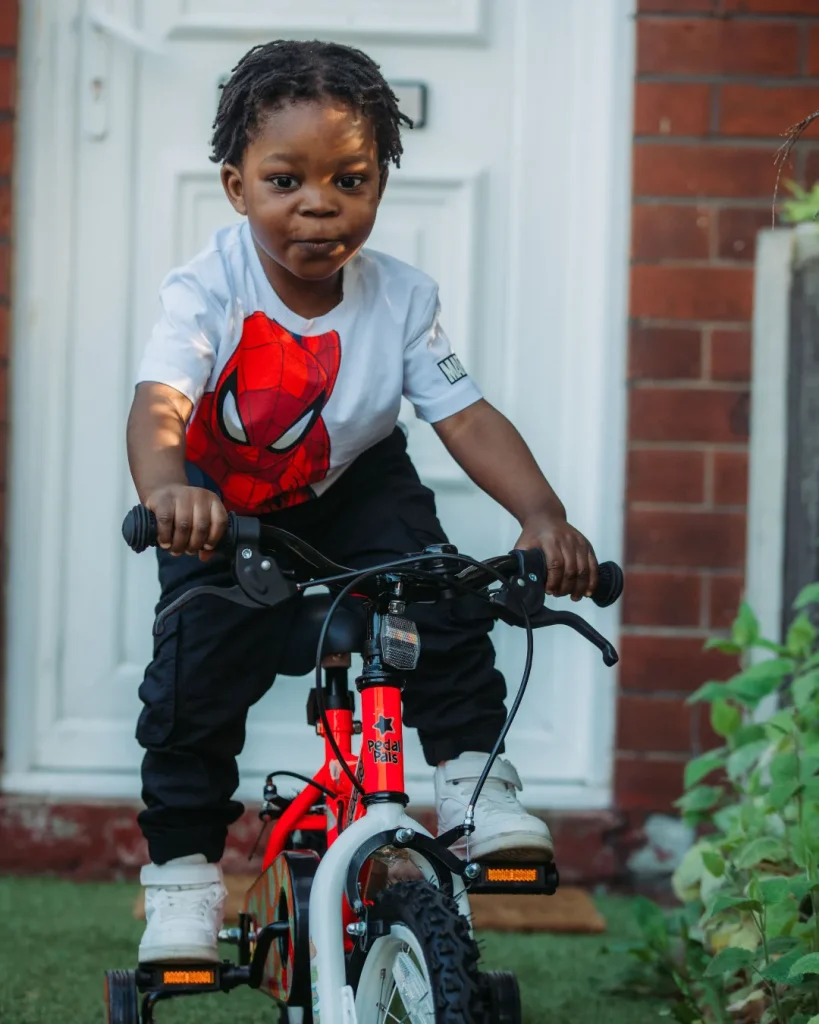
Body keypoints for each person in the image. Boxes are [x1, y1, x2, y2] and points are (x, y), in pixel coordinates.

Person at [128, 39, 598, 964]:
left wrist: (541, 516)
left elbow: (464, 416)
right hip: (222, 503)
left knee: (441, 596)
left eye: (351, 180)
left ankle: (473, 790)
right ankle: (183, 884)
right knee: (190, 681)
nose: (319, 204)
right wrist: (168, 489)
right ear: (236, 188)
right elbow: (159, 403)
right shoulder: (207, 289)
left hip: (356, 487)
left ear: (380, 182)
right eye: (285, 181)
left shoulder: (401, 298)